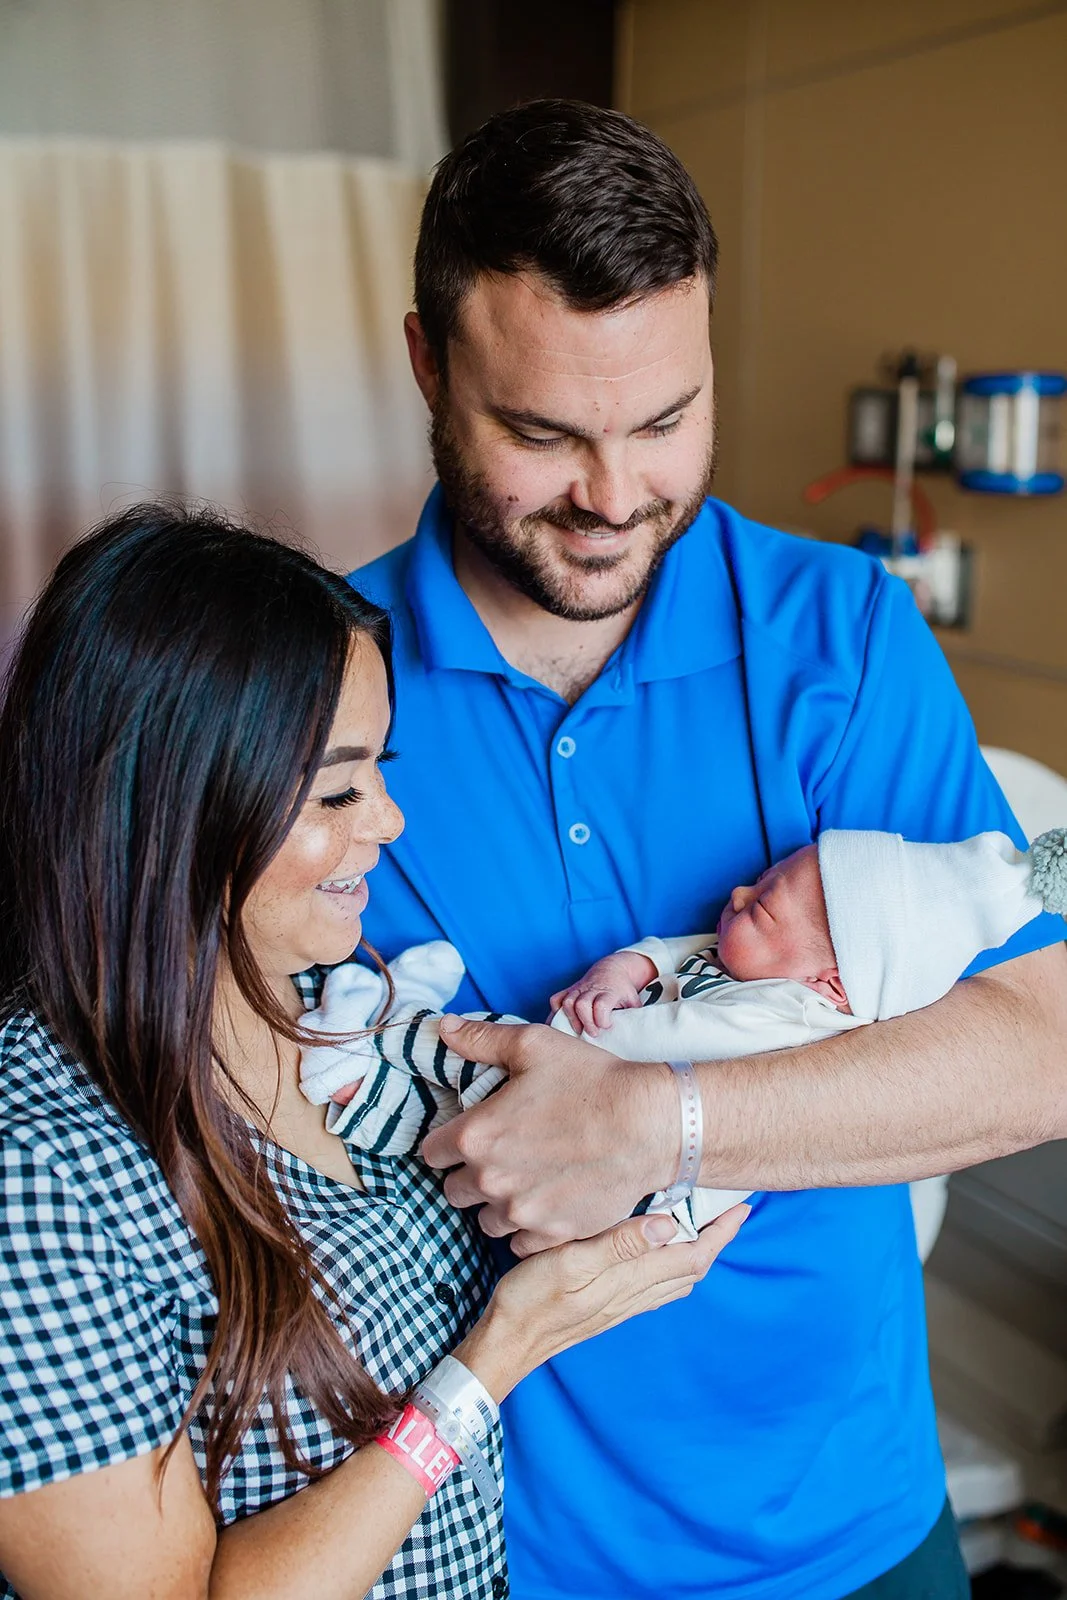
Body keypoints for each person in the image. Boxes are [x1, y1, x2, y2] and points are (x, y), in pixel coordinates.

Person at [350, 99, 1067, 1600]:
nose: (614, 498)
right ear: (426, 364)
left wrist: (654, 1123)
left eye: (664, 421)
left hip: (850, 1528)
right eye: (541, 434)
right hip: (490, 1552)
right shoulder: (317, 692)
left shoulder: (836, 636)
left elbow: (1036, 1049)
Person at [0, 502, 744, 1600]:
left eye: (379, 772)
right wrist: (495, 1354)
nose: (388, 822)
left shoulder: (343, 1012)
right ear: (172, 805)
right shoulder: (40, 1171)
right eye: (338, 790)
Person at [300, 827, 1067, 1241]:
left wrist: (580, 1050)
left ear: (828, 987)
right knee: (466, 1079)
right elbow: (670, 953)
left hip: (611, 1151)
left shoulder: (783, 1023)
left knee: (456, 1108)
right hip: (569, 1086)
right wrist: (620, 972)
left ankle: (363, 1054)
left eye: (762, 906)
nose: (737, 893)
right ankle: (380, 1034)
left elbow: (663, 1060)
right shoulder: (747, 959)